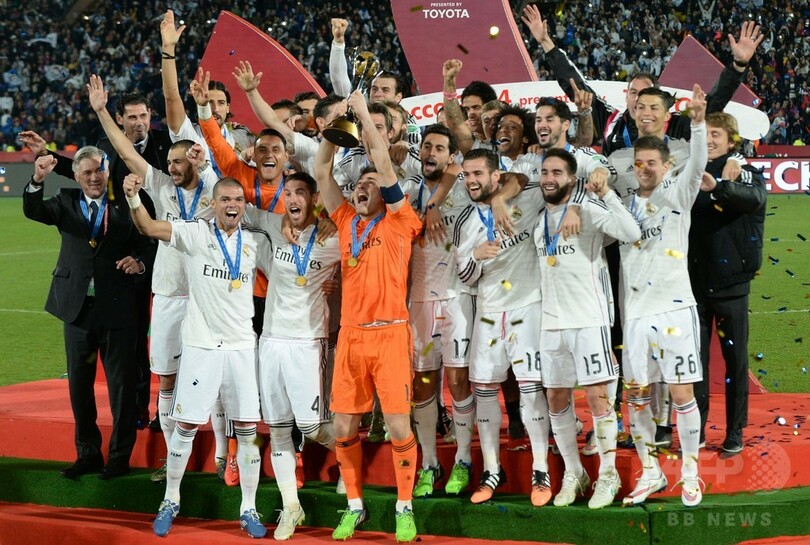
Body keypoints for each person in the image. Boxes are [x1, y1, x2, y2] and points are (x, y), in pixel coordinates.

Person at [87, 74, 218, 482]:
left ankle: (222, 456)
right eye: (170, 162)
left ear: (194, 161)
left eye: (181, 161)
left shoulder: (213, 190)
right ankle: (172, 458)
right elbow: (125, 150)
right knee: (166, 380)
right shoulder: (161, 186)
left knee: (215, 377)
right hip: (167, 295)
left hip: (206, 297)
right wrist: (101, 112)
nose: (173, 167)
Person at [124, 176, 270, 539]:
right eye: (225, 199)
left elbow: (285, 272)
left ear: (244, 205)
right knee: (186, 426)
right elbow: (148, 226)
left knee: (248, 432)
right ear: (214, 203)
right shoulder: (195, 233)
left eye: (238, 199)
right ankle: (170, 500)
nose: (232, 205)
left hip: (241, 347)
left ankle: (248, 507)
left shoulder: (256, 241)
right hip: (201, 346)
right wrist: (133, 198)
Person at [314, 90, 422, 542]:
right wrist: (333, 127)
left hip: (390, 335)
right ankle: (354, 506)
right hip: (352, 336)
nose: (362, 187)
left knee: (398, 426)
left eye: (371, 184)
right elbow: (322, 171)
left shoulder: (401, 220)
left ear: (388, 192)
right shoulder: (344, 220)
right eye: (359, 184)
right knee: (342, 426)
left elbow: (382, 160)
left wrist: (361, 113)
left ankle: (404, 507)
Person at [23, 148, 156, 480]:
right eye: (87, 173)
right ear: (76, 176)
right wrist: (38, 179)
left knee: (122, 387)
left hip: (119, 308)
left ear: (107, 171)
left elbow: (150, 241)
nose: (94, 178)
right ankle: (87, 453)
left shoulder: (130, 201)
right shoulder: (65, 201)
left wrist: (140, 262)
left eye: (99, 171)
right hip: (77, 309)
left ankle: (119, 456)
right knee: (79, 386)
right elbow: (33, 210)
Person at [534, 148, 640, 508]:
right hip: (551, 324)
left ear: (571, 178)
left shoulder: (590, 211)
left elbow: (631, 231)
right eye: (545, 172)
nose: (549, 178)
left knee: (598, 398)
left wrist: (604, 194)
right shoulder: (538, 220)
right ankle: (574, 472)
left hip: (589, 321)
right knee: (555, 399)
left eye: (557, 173)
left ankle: (608, 474)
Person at [619, 84, 708, 507]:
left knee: (681, 394)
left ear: (667, 165)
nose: (644, 169)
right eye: (638, 163)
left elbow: (698, 164)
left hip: (674, 310)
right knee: (636, 397)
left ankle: (690, 472)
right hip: (636, 315)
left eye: (652, 163)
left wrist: (699, 124)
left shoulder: (678, 194)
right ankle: (651, 472)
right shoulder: (622, 206)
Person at [453, 148, 556, 505]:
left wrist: (501, 199)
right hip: (488, 312)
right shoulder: (464, 220)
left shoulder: (526, 198)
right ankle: (492, 469)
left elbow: (528, 180)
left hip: (527, 306)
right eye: (466, 175)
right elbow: (464, 275)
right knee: (483, 389)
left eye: (478, 174)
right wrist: (476, 257)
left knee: (530, 389)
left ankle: (540, 470)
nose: (471, 181)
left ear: (496, 176)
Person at [244, 172, 342, 540]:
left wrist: (340, 280)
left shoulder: (332, 238)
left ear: (315, 198)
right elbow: (239, 210)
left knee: (313, 427)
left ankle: (347, 460)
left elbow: (360, 250)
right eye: (288, 194)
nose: (293, 199)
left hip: (308, 343)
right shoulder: (274, 224)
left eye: (301, 192)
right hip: (271, 341)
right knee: (278, 429)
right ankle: (291, 506)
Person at [521, 4, 763, 154]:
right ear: (627, 97)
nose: (639, 100)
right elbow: (575, 85)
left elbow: (714, 103)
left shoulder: (676, 125)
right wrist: (546, 42)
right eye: (634, 93)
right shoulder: (611, 121)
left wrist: (738, 66)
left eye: (646, 95)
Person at [401, 124, 476, 498]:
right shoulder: (406, 188)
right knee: (423, 383)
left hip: (455, 297)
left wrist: (434, 204)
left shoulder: (462, 189)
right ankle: (429, 463)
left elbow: (466, 166)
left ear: (451, 156)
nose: (431, 152)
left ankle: (463, 458)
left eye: (440, 148)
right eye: (427, 146)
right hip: (418, 301)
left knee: (459, 380)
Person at [689, 112, 766, 455]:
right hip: (694, 282)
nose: (709, 140)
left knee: (735, 361)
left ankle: (735, 430)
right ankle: (697, 429)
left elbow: (754, 199)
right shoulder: (690, 170)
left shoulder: (744, 171)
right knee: (696, 363)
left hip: (731, 282)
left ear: (731, 140)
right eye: (704, 134)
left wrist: (719, 186)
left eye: (716, 134)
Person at [441, 59, 498, 154]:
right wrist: (449, 81)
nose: (470, 114)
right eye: (467, 109)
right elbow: (455, 124)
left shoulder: (511, 138)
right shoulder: (471, 144)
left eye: (476, 107)